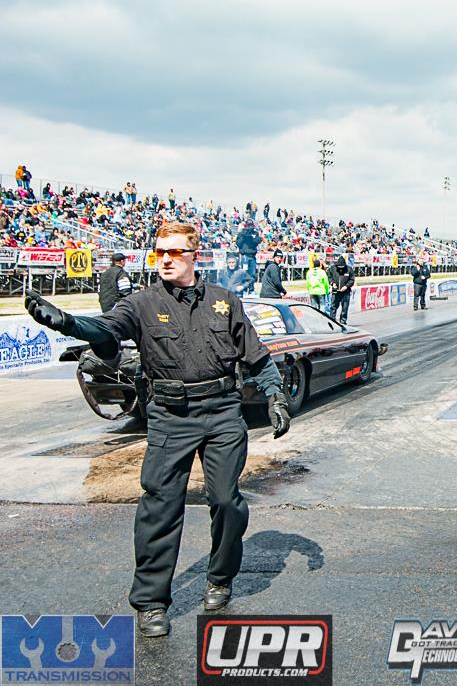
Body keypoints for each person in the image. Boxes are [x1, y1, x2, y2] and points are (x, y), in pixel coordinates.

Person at [24, 222, 289, 638]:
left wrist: (275, 396)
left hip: (222, 411)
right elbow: (106, 329)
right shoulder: (141, 304)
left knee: (227, 501)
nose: (165, 259)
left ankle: (220, 578)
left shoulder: (224, 301)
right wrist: (70, 324)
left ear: (194, 256)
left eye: (174, 252)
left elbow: (255, 354)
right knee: (160, 506)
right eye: (159, 252)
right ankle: (151, 602)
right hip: (170, 415)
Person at [327, 254, 355, 324]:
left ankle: (343, 321)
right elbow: (329, 277)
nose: (340, 269)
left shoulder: (349, 269)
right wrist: (332, 283)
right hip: (335, 291)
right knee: (333, 307)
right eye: (339, 267)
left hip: (345, 292)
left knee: (345, 307)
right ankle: (332, 321)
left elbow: (352, 280)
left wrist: (346, 286)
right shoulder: (332, 268)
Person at [236, 221, 260, 293]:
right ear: (246, 226)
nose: (250, 227)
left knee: (252, 274)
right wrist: (244, 236)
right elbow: (238, 243)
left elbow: (256, 242)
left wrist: (251, 237)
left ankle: (251, 289)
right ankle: (244, 289)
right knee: (244, 273)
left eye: (251, 225)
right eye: (248, 225)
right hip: (245, 256)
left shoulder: (255, 233)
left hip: (252, 256)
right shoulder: (241, 233)